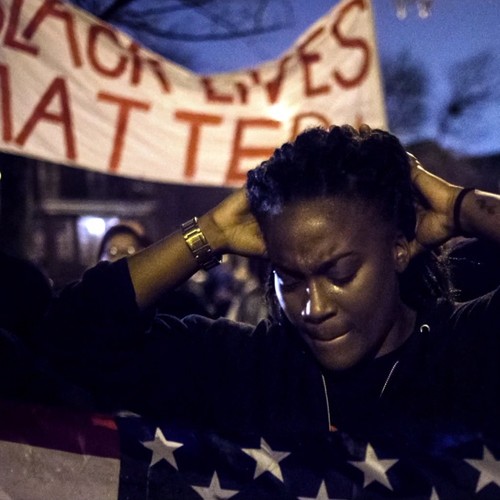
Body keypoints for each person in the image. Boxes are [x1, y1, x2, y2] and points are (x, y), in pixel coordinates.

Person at [37, 125, 500, 446]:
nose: (314, 307)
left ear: (399, 247)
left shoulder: (467, 350)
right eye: (290, 278)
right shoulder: (248, 369)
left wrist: (464, 208)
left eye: (340, 275)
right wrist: (211, 232)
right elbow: (69, 335)